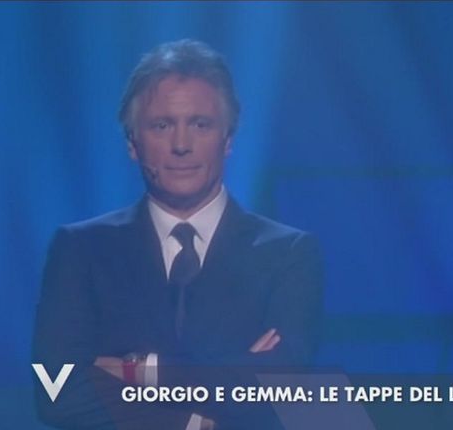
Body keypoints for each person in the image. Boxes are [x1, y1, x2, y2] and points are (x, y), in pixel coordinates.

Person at [32, 39, 323, 429]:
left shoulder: (288, 253)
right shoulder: (79, 249)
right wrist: (194, 421)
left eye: (200, 125)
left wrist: (142, 371)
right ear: (132, 144)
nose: (181, 145)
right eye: (162, 125)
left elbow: (282, 389)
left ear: (228, 140)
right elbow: (57, 393)